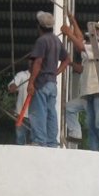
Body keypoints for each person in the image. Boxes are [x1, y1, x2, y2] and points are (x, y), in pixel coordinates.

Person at [62, 14, 99, 153]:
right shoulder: (93, 48)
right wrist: (74, 22)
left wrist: (69, 33)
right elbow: (81, 42)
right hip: (90, 91)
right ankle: (95, 149)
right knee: (92, 123)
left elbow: (80, 45)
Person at [27, 10, 69, 147]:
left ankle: (39, 141)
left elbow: (38, 62)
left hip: (41, 82)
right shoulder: (56, 40)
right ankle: (52, 142)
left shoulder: (42, 40)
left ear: (39, 26)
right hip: (52, 83)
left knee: (38, 112)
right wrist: (56, 73)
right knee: (51, 112)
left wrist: (31, 82)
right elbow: (67, 59)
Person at [8, 68, 32, 145]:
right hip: (21, 114)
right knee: (20, 141)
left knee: (35, 142)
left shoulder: (41, 75)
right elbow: (12, 85)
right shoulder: (22, 74)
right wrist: (13, 86)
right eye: (30, 61)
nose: (31, 63)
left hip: (36, 116)